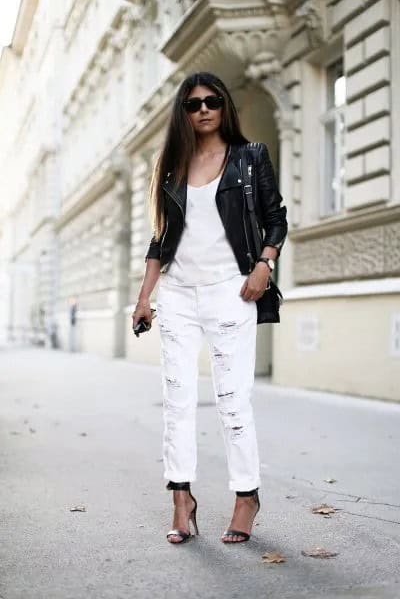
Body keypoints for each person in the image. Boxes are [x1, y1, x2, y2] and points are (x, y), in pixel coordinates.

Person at [132, 72, 287, 545]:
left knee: (232, 401)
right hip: (177, 293)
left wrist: (264, 265)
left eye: (212, 101)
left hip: (231, 291)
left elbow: (276, 218)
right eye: (193, 102)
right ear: (182, 111)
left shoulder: (249, 157)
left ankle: (246, 496)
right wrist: (145, 296)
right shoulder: (171, 166)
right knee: (176, 401)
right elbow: (161, 237)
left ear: (224, 107)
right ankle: (182, 499)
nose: (203, 109)